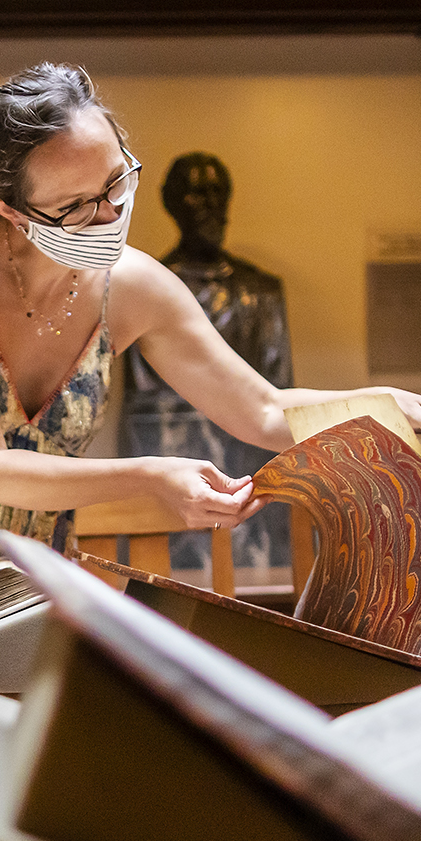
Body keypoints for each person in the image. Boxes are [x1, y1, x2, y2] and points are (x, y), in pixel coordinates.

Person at [0, 62, 421, 610]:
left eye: (118, 181)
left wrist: (376, 404)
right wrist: (153, 476)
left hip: (13, 596)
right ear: (10, 208)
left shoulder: (134, 286)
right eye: (75, 206)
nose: (108, 215)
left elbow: (263, 408)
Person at [124, 150, 295, 577]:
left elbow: (277, 403)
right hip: (172, 502)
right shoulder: (144, 292)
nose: (213, 205)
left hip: (254, 499)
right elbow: (144, 409)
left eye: (220, 193)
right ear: (173, 203)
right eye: (199, 194)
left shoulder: (262, 292)